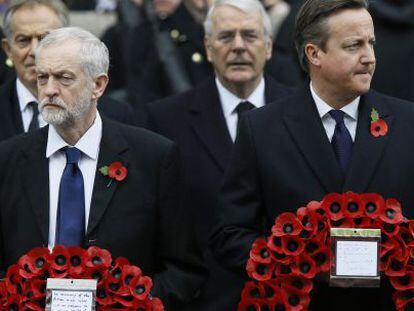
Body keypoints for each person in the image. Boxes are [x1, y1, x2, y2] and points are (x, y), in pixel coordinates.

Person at [210, 0, 414, 310]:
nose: (369, 57)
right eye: (353, 46)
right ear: (314, 53)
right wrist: (297, 261)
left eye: (371, 43)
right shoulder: (262, 129)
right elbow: (230, 234)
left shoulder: (407, 123)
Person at [0, 27, 206, 310]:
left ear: (98, 85)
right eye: (42, 77)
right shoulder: (8, 159)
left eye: (63, 78)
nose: (48, 90)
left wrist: (133, 304)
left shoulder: (154, 157)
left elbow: (184, 270)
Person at [146, 0, 294, 309]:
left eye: (250, 36)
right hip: (202, 298)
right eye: (226, 37)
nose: (238, 46)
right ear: (208, 48)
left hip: (290, 296)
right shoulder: (165, 120)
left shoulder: (302, 112)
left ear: (268, 47)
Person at [0, 0, 135, 142]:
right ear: (8, 49)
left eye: (45, 39)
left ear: (66, 40)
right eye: (23, 40)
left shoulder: (115, 114)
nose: (35, 51)